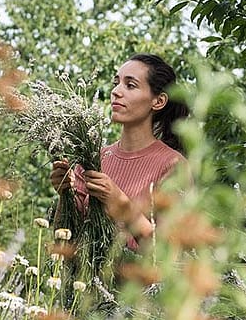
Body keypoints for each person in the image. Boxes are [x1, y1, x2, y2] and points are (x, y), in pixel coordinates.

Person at [50, 53, 189, 249]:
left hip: (137, 280)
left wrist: (121, 205)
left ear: (158, 101)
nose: (116, 91)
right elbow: (64, 239)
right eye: (117, 82)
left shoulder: (173, 166)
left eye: (130, 85)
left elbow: (168, 254)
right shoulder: (92, 159)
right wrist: (64, 194)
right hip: (82, 278)